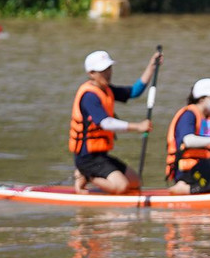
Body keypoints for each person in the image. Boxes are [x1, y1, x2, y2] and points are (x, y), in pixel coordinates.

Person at [69, 49, 162, 195]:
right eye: (102, 70)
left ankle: (92, 176)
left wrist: (152, 66)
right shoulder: (89, 96)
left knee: (136, 182)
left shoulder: (107, 90)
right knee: (122, 187)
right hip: (87, 158)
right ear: (91, 73)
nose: (107, 73)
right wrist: (137, 127)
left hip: (101, 156)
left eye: (108, 69)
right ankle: (85, 174)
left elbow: (134, 92)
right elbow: (105, 123)